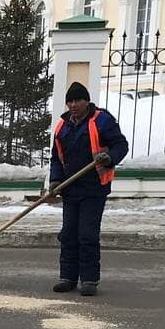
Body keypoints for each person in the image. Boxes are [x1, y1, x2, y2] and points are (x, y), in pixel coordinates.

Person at [49, 82, 129, 296]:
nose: (73, 105)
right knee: (68, 234)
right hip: (70, 189)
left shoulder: (102, 120)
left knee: (87, 234)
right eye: (70, 101)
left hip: (94, 188)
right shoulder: (62, 126)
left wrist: (109, 157)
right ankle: (67, 277)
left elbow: (121, 145)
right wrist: (55, 180)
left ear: (87, 101)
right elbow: (56, 157)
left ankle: (89, 280)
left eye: (78, 100)